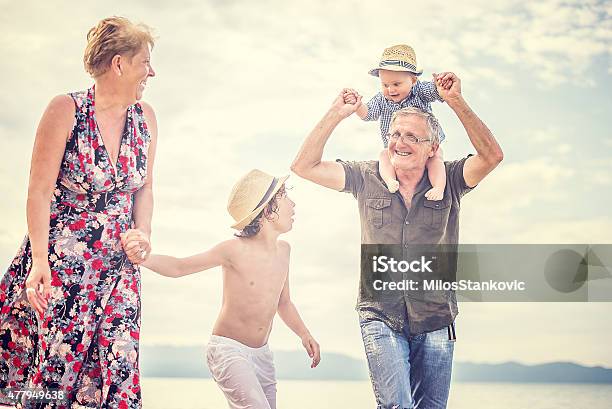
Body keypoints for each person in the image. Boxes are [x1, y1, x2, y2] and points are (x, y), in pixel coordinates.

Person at [291, 73, 503, 408]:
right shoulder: (366, 177)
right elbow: (303, 166)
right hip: (379, 313)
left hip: (436, 317)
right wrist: (336, 113)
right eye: (395, 134)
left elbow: (491, 156)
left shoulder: (449, 178)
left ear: (432, 147)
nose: (399, 143)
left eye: (411, 137)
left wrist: (456, 101)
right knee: (396, 405)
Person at [0, 16, 158, 409]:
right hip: (62, 267)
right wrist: (39, 261)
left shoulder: (147, 118)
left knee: (119, 367)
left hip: (119, 268)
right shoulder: (66, 109)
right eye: (145, 62)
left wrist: (143, 233)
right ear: (118, 64)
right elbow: (38, 191)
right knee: (55, 373)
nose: (151, 72)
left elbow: (145, 188)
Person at [121, 169, 320, 409]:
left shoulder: (284, 251)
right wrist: (144, 259)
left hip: (262, 355)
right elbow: (180, 267)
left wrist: (304, 333)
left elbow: (284, 302)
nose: (293, 203)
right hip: (229, 351)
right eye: (285, 196)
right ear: (267, 210)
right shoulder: (233, 250)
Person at [344, 44, 449, 199]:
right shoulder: (381, 99)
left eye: (396, 84)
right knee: (383, 156)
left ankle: (439, 188)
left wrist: (440, 84)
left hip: (425, 145)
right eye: (385, 85)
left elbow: (436, 93)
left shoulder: (419, 91)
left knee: (436, 157)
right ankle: (390, 180)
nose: (390, 90)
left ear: (413, 80)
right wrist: (357, 106)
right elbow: (368, 113)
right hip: (396, 149)